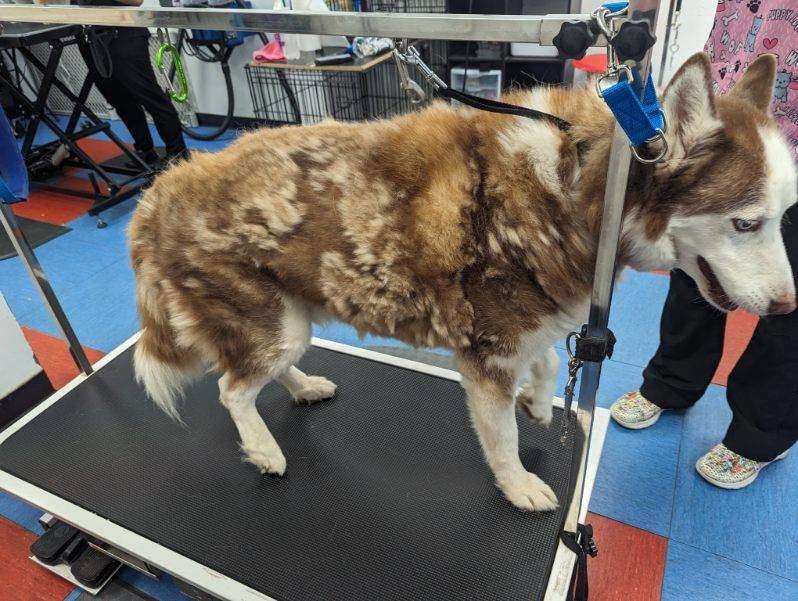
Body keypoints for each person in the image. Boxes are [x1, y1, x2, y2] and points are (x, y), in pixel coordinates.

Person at [611, 1, 798, 490]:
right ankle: (672, 383)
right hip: (741, 73)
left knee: (787, 312)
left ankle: (759, 434)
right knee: (694, 267)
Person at [75, 0, 188, 165]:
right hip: (90, 39)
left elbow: (136, 1)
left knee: (150, 96)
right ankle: (145, 150)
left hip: (123, 34)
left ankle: (178, 154)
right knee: (119, 100)